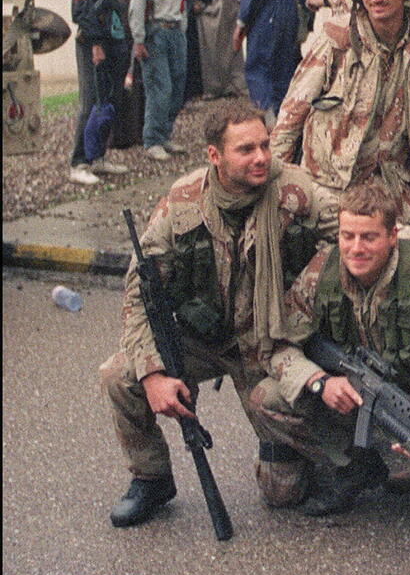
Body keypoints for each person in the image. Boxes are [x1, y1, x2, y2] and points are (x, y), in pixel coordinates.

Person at [99, 100, 339, 528]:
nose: (261, 157)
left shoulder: (295, 189)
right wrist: (153, 375)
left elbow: (360, 229)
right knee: (119, 374)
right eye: (245, 149)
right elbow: (139, 293)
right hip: (203, 338)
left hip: (268, 344)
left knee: (283, 493)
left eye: (264, 145)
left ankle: (330, 457)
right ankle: (151, 477)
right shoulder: (182, 203)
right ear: (215, 155)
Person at [249, 183, 410, 540]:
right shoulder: (322, 270)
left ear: (393, 236)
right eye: (347, 236)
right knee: (268, 398)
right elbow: (278, 345)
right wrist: (319, 382)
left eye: (369, 237)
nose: (356, 248)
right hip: (354, 390)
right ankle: (354, 467)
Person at [271, 0, 410, 228]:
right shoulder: (337, 39)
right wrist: (274, 184)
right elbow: (292, 114)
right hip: (333, 188)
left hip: (399, 190)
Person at [68, 0, 130, 184]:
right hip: (92, 44)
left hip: (113, 40)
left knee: (109, 101)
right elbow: (81, 7)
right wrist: (95, 43)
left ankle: (98, 156)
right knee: (91, 102)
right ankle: (79, 163)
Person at [129, 0, 191, 161]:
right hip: (156, 34)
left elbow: (182, 7)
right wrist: (139, 39)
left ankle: (165, 134)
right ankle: (152, 139)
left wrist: (182, 32)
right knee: (159, 88)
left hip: (176, 34)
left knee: (177, 87)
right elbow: (137, 5)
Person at [106, 0, 148, 149]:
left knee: (136, 83)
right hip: (115, 29)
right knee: (116, 83)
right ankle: (115, 136)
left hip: (135, 30)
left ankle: (134, 133)